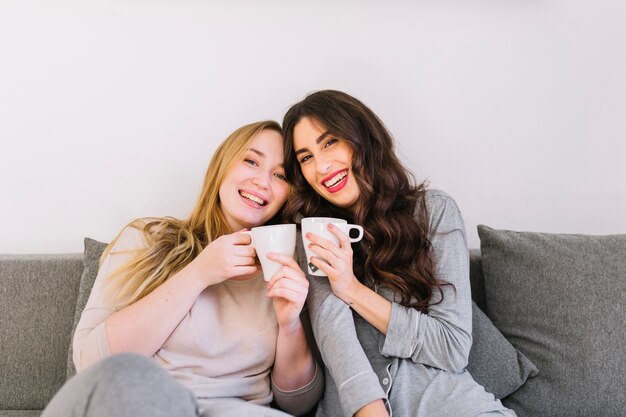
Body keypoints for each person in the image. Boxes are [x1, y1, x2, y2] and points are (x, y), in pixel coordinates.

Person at [42, 121, 323, 417]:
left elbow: (299, 404)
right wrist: (199, 273)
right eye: (251, 161)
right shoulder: (145, 238)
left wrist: (290, 325)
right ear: (221, 167)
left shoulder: (286, 266)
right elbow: (92, 365)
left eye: (280, 175)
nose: (263, 182)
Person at [281, 90, 516, 417]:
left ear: (362, 138)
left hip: (450, 402)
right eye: (305, 157)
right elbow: (336, 339)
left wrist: (351, 290)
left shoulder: (433, 211)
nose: (321, 166)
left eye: (330, 142)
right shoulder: (313, 232)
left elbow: (451, 348)